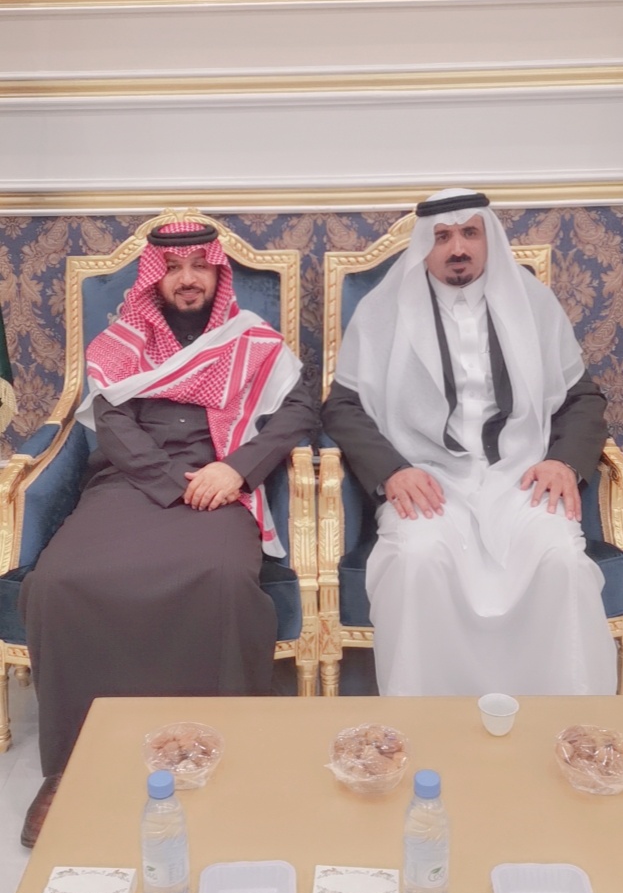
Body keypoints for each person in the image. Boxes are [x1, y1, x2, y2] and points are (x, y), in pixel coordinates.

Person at [19, 220, 316, 846]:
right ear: (155, 278)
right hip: (130, 483)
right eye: (174, 268)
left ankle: (228, 753)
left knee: (221, 580)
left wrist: (236, 470)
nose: (187, 280)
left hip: (221, 481)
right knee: (59, 582)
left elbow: (297, 413)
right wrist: (168, 482)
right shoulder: (121, 342)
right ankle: (71, 771)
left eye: (199, 267)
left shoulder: (252, 340)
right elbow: (113, 424)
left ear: (217, 273)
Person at [322, 188, 617, 698]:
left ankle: (564, 725)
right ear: (425, 246)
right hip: (427, 480)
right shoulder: (382, 311)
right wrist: (393, 470)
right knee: (418, 560)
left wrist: (564, 462)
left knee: (561, 561)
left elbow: (582, 399)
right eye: (442, 237)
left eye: (469, 234)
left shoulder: (533, 303)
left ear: (487, 239)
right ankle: (427, 723)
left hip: (522, 477)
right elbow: (342, 408)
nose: (457, 248)